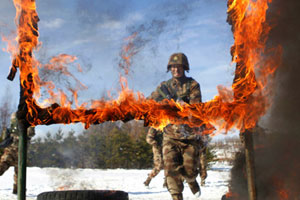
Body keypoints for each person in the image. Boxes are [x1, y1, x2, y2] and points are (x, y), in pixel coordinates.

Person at [148, 53, 204, 200]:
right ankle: (176, 196)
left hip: (189, 136)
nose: (176, 69)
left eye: (179, 67)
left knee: (190, 171)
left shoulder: (193, 85)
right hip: (170, 136)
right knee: (171, 170)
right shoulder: (164, 87)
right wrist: (163, 104)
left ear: (184, 67)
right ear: (169, 69)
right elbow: (150, 101)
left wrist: (186, 107)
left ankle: (191, 181)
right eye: (173, 67)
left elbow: (196, 107)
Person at [0, 112, 35, 194]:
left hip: (20, 154)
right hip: (11, 153)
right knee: (2, 167)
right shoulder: (10, 129)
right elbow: (5, 140)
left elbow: (30, 134)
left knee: (19, 176)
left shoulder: (28, 126)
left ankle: (18, 191)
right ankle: (18, 191)